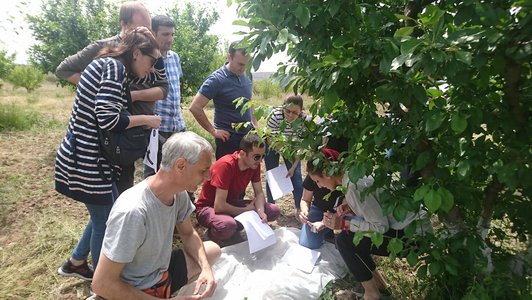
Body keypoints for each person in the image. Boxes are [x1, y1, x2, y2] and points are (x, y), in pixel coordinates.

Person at [55, 27, 162, 281]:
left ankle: (76, 263)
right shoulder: (115, 68)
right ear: (136, 53)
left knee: (108, 210)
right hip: (86, 159)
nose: (152, 69)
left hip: (87, 156)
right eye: (151, 61)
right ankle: (104, 285)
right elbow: (108, 119)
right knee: (106, 221)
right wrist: (146, 119)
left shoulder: (107, 63)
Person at [56, 1, 169, 194]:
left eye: (148, 29)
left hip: (126, 134)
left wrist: (154, 52)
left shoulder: (133, 61)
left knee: (115, 196)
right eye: (140, 29)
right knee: (110, 205)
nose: (145, 34)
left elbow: (161, 84)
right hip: (103, 140)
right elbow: (109, 119)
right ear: (123, 25)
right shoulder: (113, 63)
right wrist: (97, 87)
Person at [92, 132, 220, 299]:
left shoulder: (178, 193)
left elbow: (188, 234)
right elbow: (102, 284)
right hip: (133, 289)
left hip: (161, 275)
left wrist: (205, 268)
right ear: (180, 166)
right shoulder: (133, 212)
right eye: (203, 170)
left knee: (213, 251)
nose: (208, 177)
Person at [307, 148, 431, 300]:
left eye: (318, 181)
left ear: (327, 174)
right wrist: (353, 210)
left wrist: (344, 224)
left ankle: (372, 294)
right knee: (347, 235)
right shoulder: (355, 171)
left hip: (414, 238)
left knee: (344, 239)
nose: (319, 186)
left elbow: (380, 227)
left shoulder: (354, 186)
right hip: (414, 229)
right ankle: (379, 286)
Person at [195, 134, 280, 243]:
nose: (260, 161)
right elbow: (219, 206)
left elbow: (259, 192)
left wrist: (260, 211)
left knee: (273, 210)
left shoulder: (254, 165)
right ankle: (213, 236)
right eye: (256, 157)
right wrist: (245, 210)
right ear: (242, 153)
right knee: (227, 225)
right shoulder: (226, 165)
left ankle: (233, 230)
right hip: (208, 208)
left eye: (262, 156)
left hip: (232, 203)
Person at [189, 41, 258, 160]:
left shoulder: (248, 74)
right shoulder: (216, 79)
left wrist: (255, 123)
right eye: (240, 64)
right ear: (229, 57)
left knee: (244, 176)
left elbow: (249, 101)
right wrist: (213, 131)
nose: (243, 68)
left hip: (247, 137)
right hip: (227, 139)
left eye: (246, 64)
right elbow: (195, 107)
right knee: (226, 176)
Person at [144, 15, 186, 178]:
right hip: (157, 128)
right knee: (154, 172)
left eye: (172, 34)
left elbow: (175, 90)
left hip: (177, 126)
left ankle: (184, 203)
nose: (170, 39)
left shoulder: (174, 57)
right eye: (165, 34)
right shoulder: (146, 59)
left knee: (182, 169)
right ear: (153, 33)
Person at [264, 94, 306, 213]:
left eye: (295, 112)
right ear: (283, 108)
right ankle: (271, 207)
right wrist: (282, 150)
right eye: (287, 111)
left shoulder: (304, 120)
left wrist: (293, 166)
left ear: (301, 111)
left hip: (293, 144)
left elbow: (301, 146)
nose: (291, 115)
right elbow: (270, 139)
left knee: (296, 176)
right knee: (272, 173)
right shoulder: (275, 116)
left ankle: (300, 209)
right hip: (274, 142)